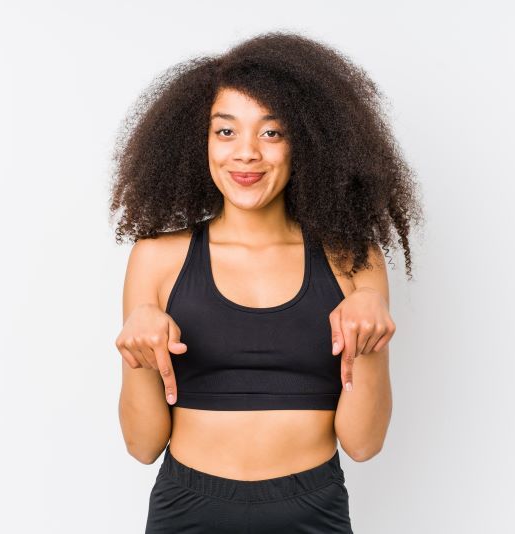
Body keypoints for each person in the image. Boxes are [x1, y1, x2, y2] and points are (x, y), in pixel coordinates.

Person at [111, 31, 424, 533]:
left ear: (309, 142)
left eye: (272, 133)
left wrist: (371, 343)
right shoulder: (157, 259)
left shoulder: (351, 257)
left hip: (312, 506)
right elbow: (143, 445)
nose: (247, 154)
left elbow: (363, 444)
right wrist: (135, 351)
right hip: (188, 506)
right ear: (200, 142)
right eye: (226, 132)